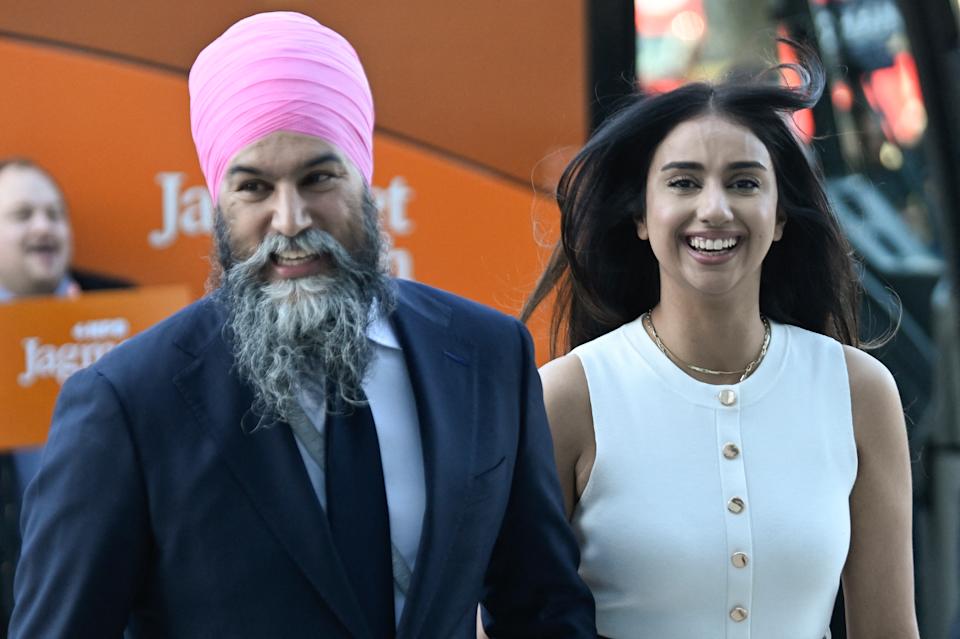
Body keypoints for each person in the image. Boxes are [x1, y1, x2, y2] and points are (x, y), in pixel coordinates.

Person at [9, 12, 595, 639]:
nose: (288, 220)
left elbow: (542, 606)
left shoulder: (487, 355)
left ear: (364, 178)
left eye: (318, 178)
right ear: (218, 201)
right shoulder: (129, 401)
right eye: (254, 188)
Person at [521, 46, 918, 638]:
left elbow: (889, 630)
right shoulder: (569, 397)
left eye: (743, 182)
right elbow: (507, 624)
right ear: (641, 215)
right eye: (683, 182)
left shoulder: (859, 393)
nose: (714, 209)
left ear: (780, 215)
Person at [0, 158, 131, 635]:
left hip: (115, 587)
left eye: (55, 214)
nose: (44, 227)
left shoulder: (127, 311)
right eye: (23, 215)